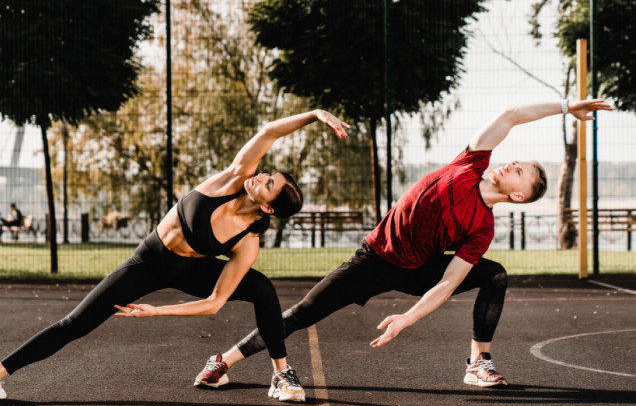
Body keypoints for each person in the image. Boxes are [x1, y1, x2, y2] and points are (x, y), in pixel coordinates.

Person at [195, 99, 613, 390]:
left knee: (495, 275)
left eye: (519, 171)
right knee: (304, 312)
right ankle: (223, 362)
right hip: (373, 258)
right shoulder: (472, 162)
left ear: (519, 196)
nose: (512, 164)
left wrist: (406, 319)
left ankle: (478, 363)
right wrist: (564, 108)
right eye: (516, 161)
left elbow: (447, 284)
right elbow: (511, 114)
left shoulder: (481, 228)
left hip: (418, 270)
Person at [0, 109, 351, 406]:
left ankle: (281, 375)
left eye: (269, 184)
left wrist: (157, 311)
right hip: (148, 261)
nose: (261, 177)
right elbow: (268, 132)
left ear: (268, 208)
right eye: (267, 174)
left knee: (263, 289)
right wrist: (315, 115)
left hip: (189, 269)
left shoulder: (248, 241)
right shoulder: (234, 177)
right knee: (75, 323)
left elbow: (215, 302)